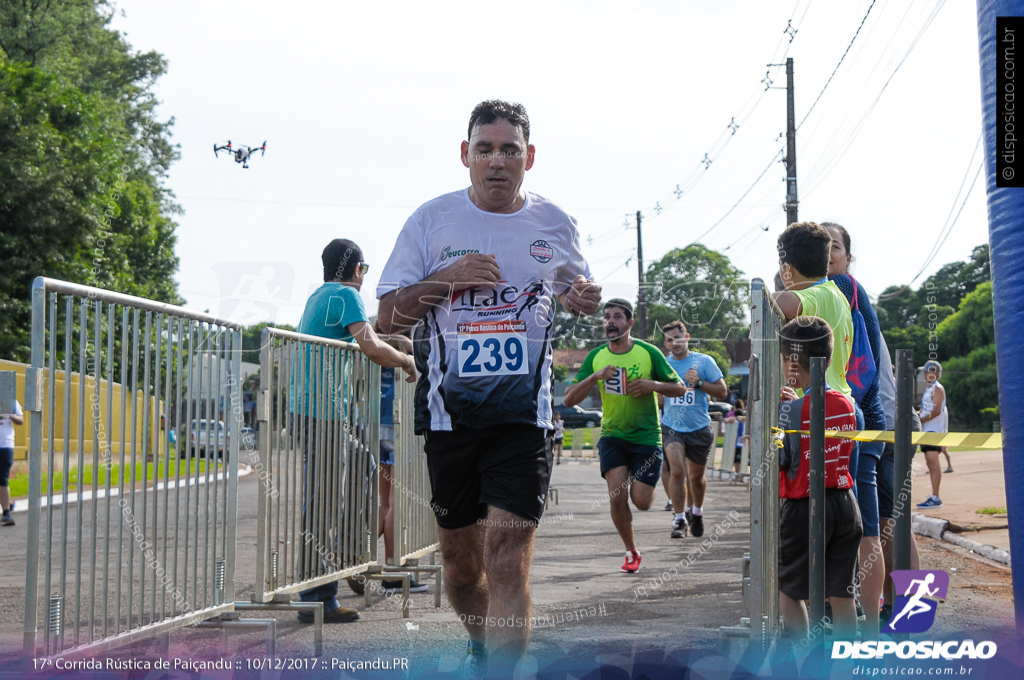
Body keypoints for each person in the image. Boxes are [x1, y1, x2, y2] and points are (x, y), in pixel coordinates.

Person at [375, 100, 602, 676]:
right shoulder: (431, 221)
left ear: (528, 157)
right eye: (485, 148)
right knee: (460, 568)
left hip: (524, 419)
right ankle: (482, 645)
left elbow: (574, 287)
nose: (496, 161)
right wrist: (443, 281)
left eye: (508, 150)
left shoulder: (553, 222)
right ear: (465, 155)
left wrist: (580, 298)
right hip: (450, 419)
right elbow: (387, 321)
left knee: (507, 558)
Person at [294, 239, 417, 625]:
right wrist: (407, 361)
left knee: (363, 469)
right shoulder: (347, 296)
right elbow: (371, 347)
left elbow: (370, 340)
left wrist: (395, 343)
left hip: (321, 411)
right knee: (324, 502)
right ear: (358, 270)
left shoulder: (322, 295)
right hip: (323, 413)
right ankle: (317, 596)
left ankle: (351, 559)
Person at [563, 299, 685, 573]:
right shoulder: (596, 357)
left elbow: (680, 388)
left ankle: (647, 481)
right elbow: (569, 399)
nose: (610, 322)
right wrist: (594, 377)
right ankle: (631, 551)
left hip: (646, 437)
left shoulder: (648, 352)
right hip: (612, 436)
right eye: (606, 317)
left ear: (629, 323)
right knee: (617, 497)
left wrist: (651, 385)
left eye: (617, 317)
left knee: (641, 501)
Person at [776, 316, 862, 643]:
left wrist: (779, 421)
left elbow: (779, 460)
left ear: (793, 363)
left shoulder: (790, 412)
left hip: (803, 506)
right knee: (842, 593)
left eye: (784, 360)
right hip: (844, 503)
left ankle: (801, 661)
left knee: (791, 589)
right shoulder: (847, 404)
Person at [823, 221, 886, 637]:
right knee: (851, 525)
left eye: (833, 245)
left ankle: (869, 625)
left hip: (854, 417)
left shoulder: (842, 287)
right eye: (818, 245)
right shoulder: (830, 294)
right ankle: (854, 619)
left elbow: (865, 370)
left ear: (848, 256)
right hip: (846, 418)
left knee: (862, 527)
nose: (826, 252)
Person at [659, 320, 728, 539]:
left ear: (687, 338)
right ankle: (679, 519)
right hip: (672, 427)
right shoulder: (664, 365)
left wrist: (699, 383)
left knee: (696, 478)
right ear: (666, 344)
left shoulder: (704, 361)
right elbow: (659, 396)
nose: (675, 343)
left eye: (678, 338)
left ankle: (696, 511)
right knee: (677, 470)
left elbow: (722, 392)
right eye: (670, 340)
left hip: (699, 427)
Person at [374, 327, 429, 593]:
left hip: (376, 419)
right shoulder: (410, 340)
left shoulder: (375, 338)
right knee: (397, 502)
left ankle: (352, 559)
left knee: (383, 501)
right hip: (399, 421)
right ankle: (394, 573)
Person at [916, 360, 949, 508]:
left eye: (927, 371)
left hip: (933, 431)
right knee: (930, 463)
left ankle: (936, 497)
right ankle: (935, 496)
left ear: (934, 373)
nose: (924, 374)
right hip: (928, 430)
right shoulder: (930, 389)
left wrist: (920, 418)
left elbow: (936, 411)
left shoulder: (937, 389)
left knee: (933, 464)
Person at [0, 399, 24, 526]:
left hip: (6, 445)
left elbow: (21, 421)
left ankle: (6, 513)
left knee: (2, 478)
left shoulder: (10, 400)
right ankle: (7, 503)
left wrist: (9, 415)